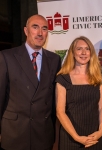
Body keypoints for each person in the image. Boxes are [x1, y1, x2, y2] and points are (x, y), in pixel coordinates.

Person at [0, 14, 61, 150]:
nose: (40, 33)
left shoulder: (55, 59)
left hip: (43, 134)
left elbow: (53, 100)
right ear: (26, 31)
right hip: (14, 133)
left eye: (44, 29)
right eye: (35, 27)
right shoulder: (7, 57)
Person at [55, 36, 102, 150]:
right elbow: (60, 112)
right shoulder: (63, 79)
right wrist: (77, 137)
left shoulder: (98, 78)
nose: (83, 52)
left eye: (87, 49)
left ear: (91, 53)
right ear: (73, 53)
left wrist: (101, 130)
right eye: (79, 49)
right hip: (70, 138)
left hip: (95, 137)